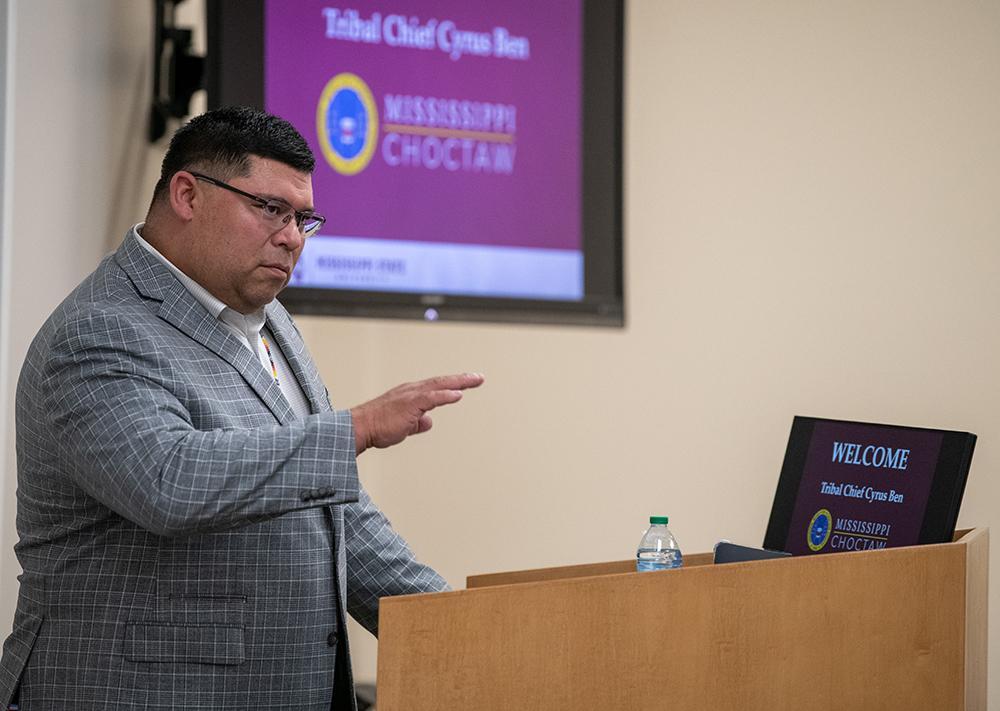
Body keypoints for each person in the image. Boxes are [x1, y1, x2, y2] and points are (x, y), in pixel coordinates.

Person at [0, 106, 483, 710]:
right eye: (270, 209)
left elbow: (332, 508)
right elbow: (168, 481)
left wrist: (463, 629)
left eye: (303, 218)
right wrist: (355, 428)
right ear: (187, 194)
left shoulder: (268, 320)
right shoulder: (99, 331)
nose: (291, 237)